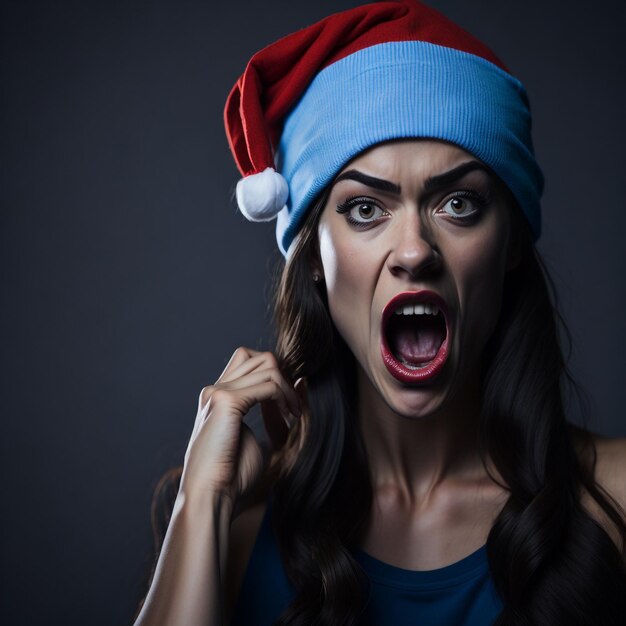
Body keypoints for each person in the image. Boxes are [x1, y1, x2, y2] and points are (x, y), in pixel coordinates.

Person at [133, 1, 626, 624]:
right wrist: (198, 502)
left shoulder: (614, 497)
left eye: (459, 203)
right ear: (314, 255)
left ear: (510, 247)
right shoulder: (235, 532)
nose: (416, 250)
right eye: (366, 209)